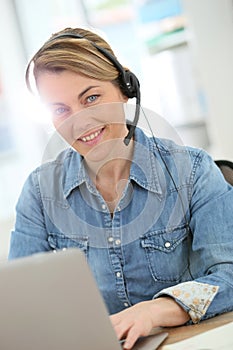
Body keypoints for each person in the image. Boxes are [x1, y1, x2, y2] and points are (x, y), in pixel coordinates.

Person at [9, 27, 233, 349]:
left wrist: (156, 310)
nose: (80, 122)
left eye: (92, 98)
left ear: (125, 90)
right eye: (60, 109)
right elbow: (21, 303)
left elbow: (228, 276)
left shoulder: (192, 172)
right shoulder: (39, 193)